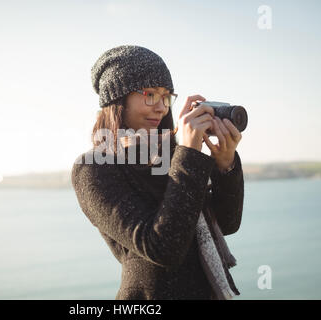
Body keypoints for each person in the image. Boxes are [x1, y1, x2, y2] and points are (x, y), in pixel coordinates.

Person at [71, 45, 244, 300]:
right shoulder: (94, 167)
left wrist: (225, 165)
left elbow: (227, 223)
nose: (161, 107)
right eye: (150, 94)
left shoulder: (173, 154)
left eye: (166, 96)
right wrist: (188, 153)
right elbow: (163, 247)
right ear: (117, 100)